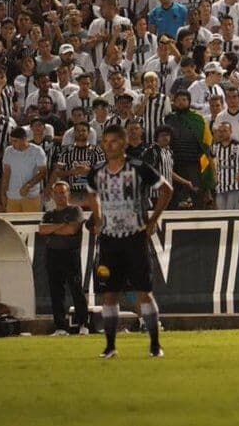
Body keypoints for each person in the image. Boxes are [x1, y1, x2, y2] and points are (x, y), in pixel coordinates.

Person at [86, 124, 172, 358]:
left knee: (144, 291)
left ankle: (155, 344)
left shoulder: (139, 168)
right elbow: (91, 192)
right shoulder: (97, 171)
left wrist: (153, 219)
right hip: (109, 239)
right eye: (105, 141)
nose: (108, 145)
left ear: (123, 143)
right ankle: (110, 346)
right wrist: (98, 217)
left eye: (113, 141)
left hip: (134, 237)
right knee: (109, 293)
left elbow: (166, 189)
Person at [39, 180, 88, 334]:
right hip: (52, 254)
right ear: (52, 195)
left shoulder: (75, 210)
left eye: (63, 192)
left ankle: (83, 325)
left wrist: (53, 229)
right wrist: (61, 225)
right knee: (56, 292)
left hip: (70, 254)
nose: (60, 196)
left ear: (68, 194)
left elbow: (72, 230)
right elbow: (42, 229)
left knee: (76, 290)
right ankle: (60, 327)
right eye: (57, 193)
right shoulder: (49, 214)